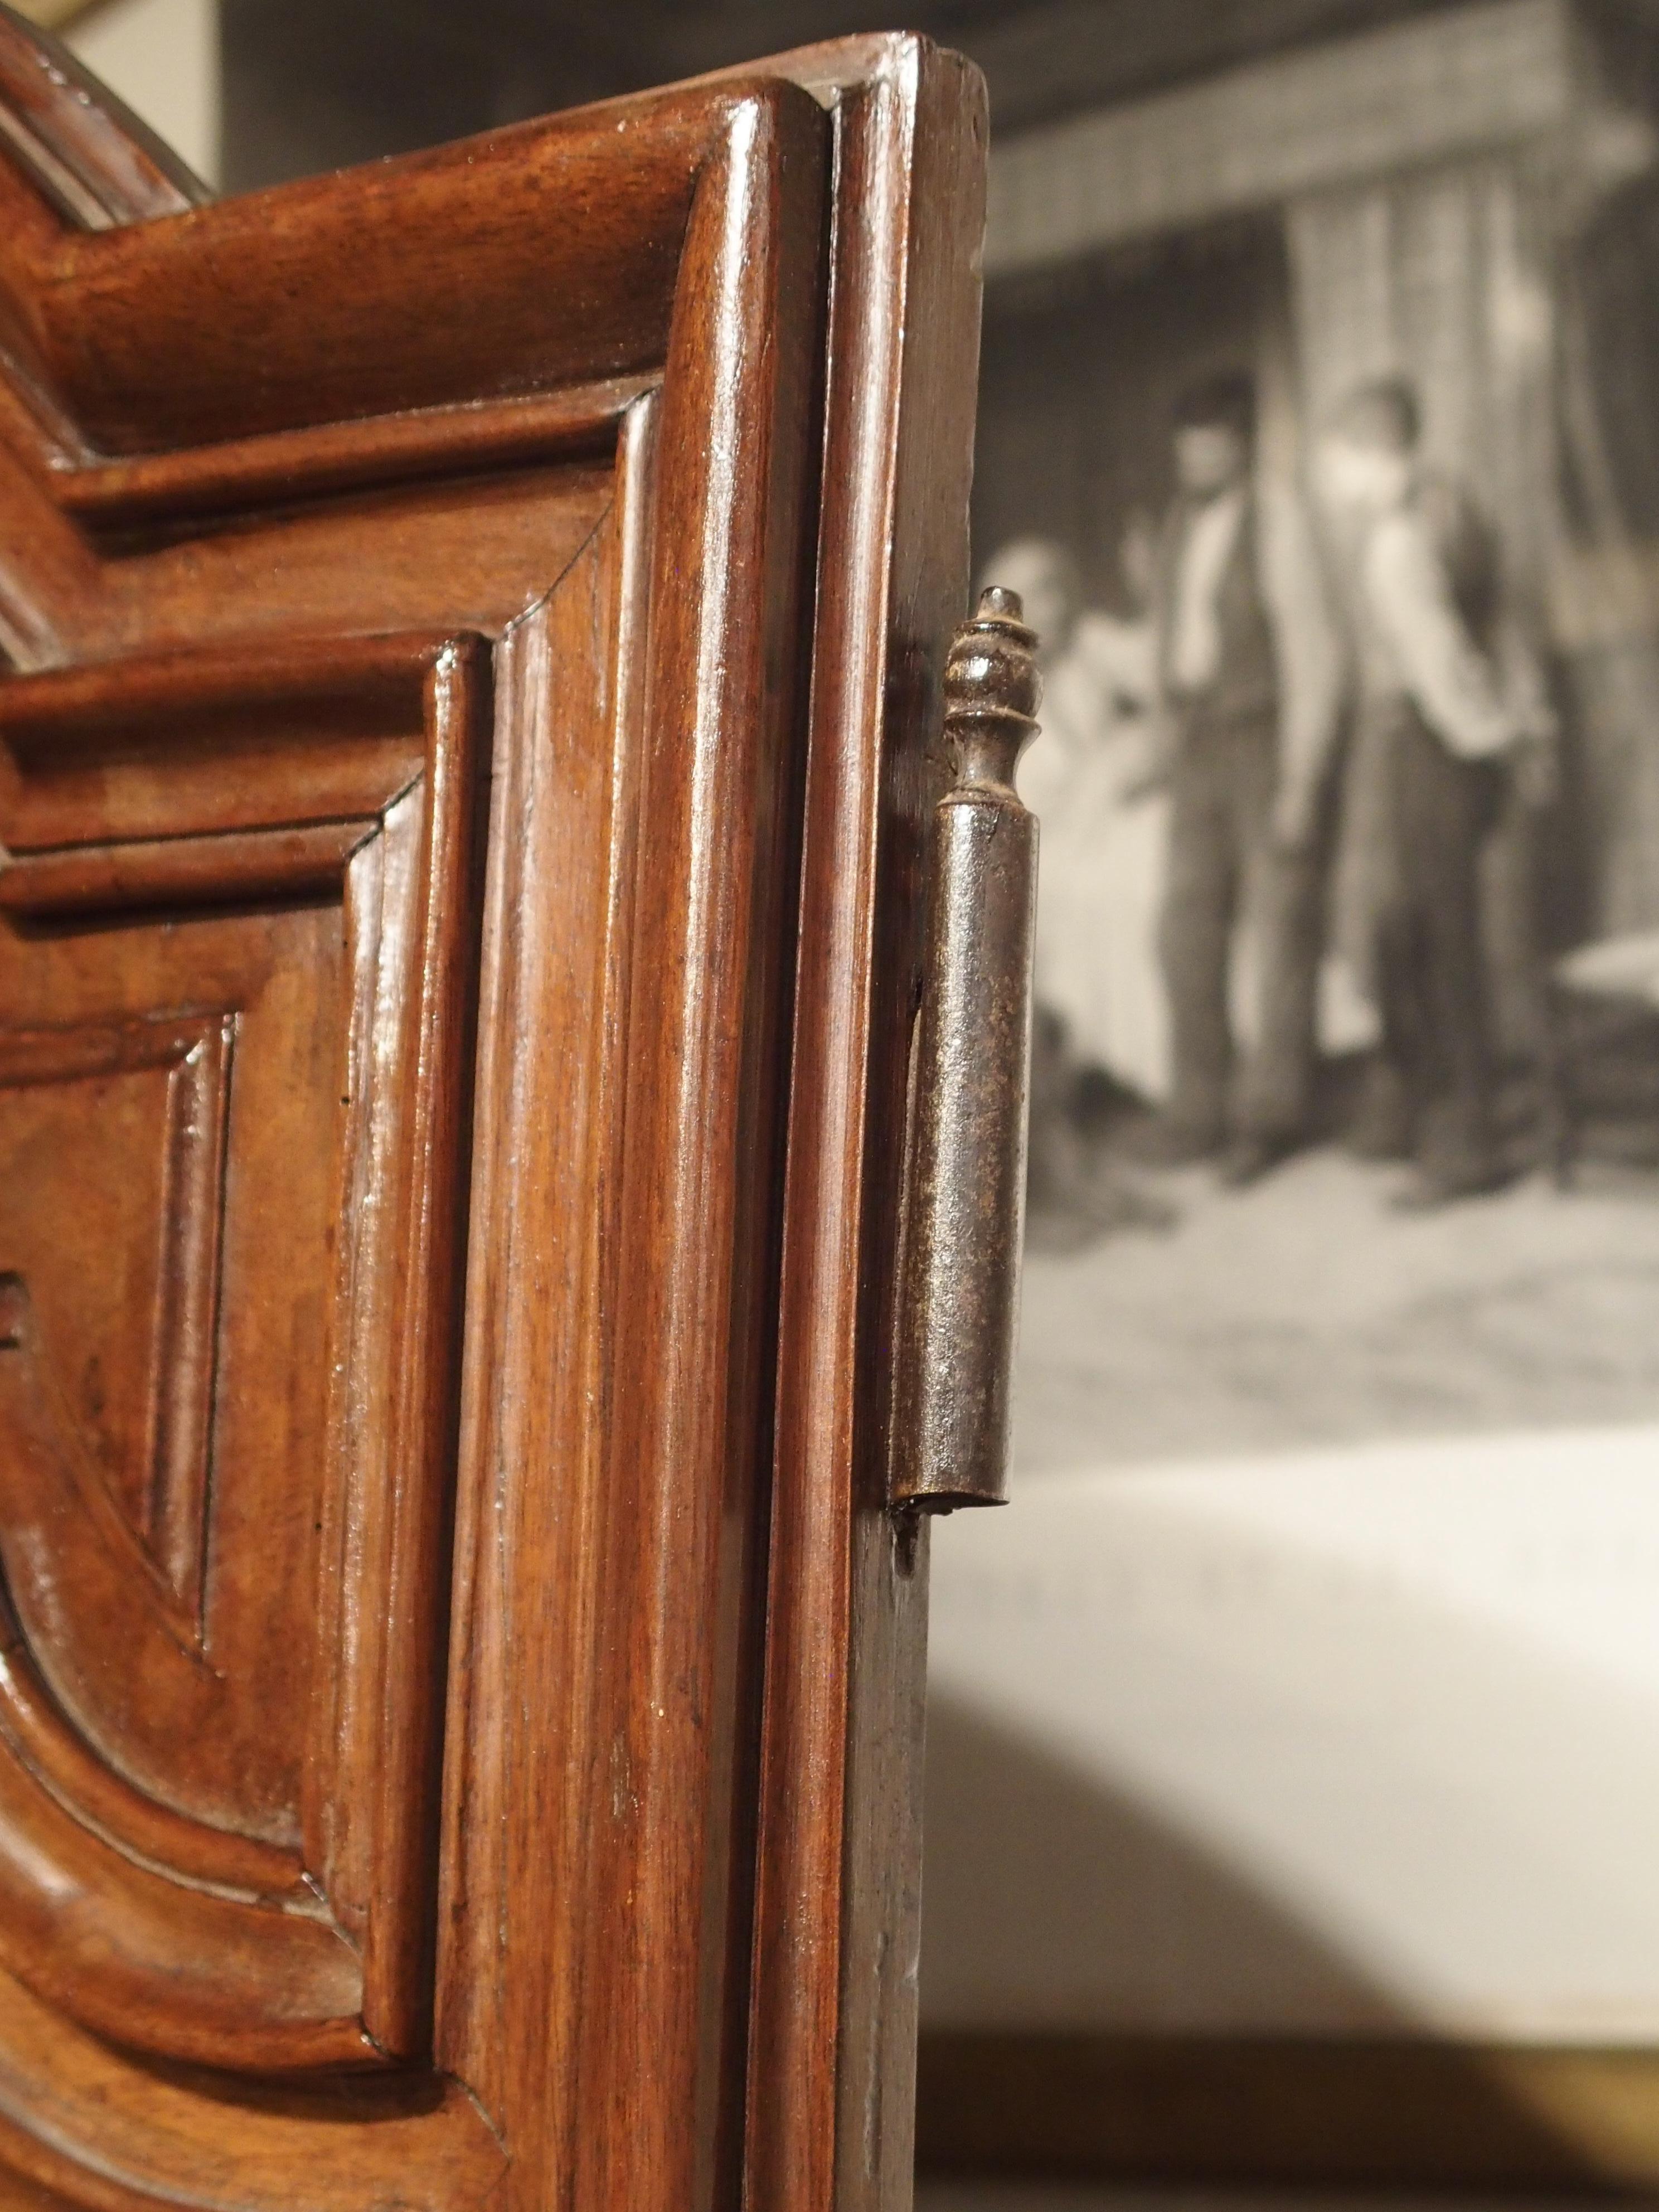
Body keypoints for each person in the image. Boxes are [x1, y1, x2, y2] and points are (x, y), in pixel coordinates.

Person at [1317, 373, 1556, 1209]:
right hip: (1450, 747)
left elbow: (1441, 660)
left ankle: (1466, 1145)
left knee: (1439, 945)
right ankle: (1444, 1120)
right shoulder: (1451, 505)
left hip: (1431, 747)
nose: (1333, 466)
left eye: (1344, 447)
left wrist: (1493, 739)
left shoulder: (1397, 537)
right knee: (1425, 938)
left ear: (1379, 448)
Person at [1148, 369, 1345, 1185]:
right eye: (1187, 446)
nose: (1196, 460)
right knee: (1184, 933)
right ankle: (1199, 1110)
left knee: (1278, 935)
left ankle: (1272, 1119)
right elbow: (1177, 644)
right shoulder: (1177, 525)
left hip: (1264, 744)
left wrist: (1301, 782)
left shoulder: (1282, 520)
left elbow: (1315, 660)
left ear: (1241, 443)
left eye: (1212, 445)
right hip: (1198, 748)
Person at [989, 527, 1167, 1106]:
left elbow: (1158, 666)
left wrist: (1155, 591)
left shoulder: (1090, 649)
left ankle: (1171, 1067)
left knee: (1166, 861)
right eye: (1039, 599)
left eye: (1060, 595)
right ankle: (1116, 1065)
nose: (1056, 611)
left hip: (1116, 815)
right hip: (1055, 835)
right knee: (1114, 893)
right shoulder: (1005, 687)